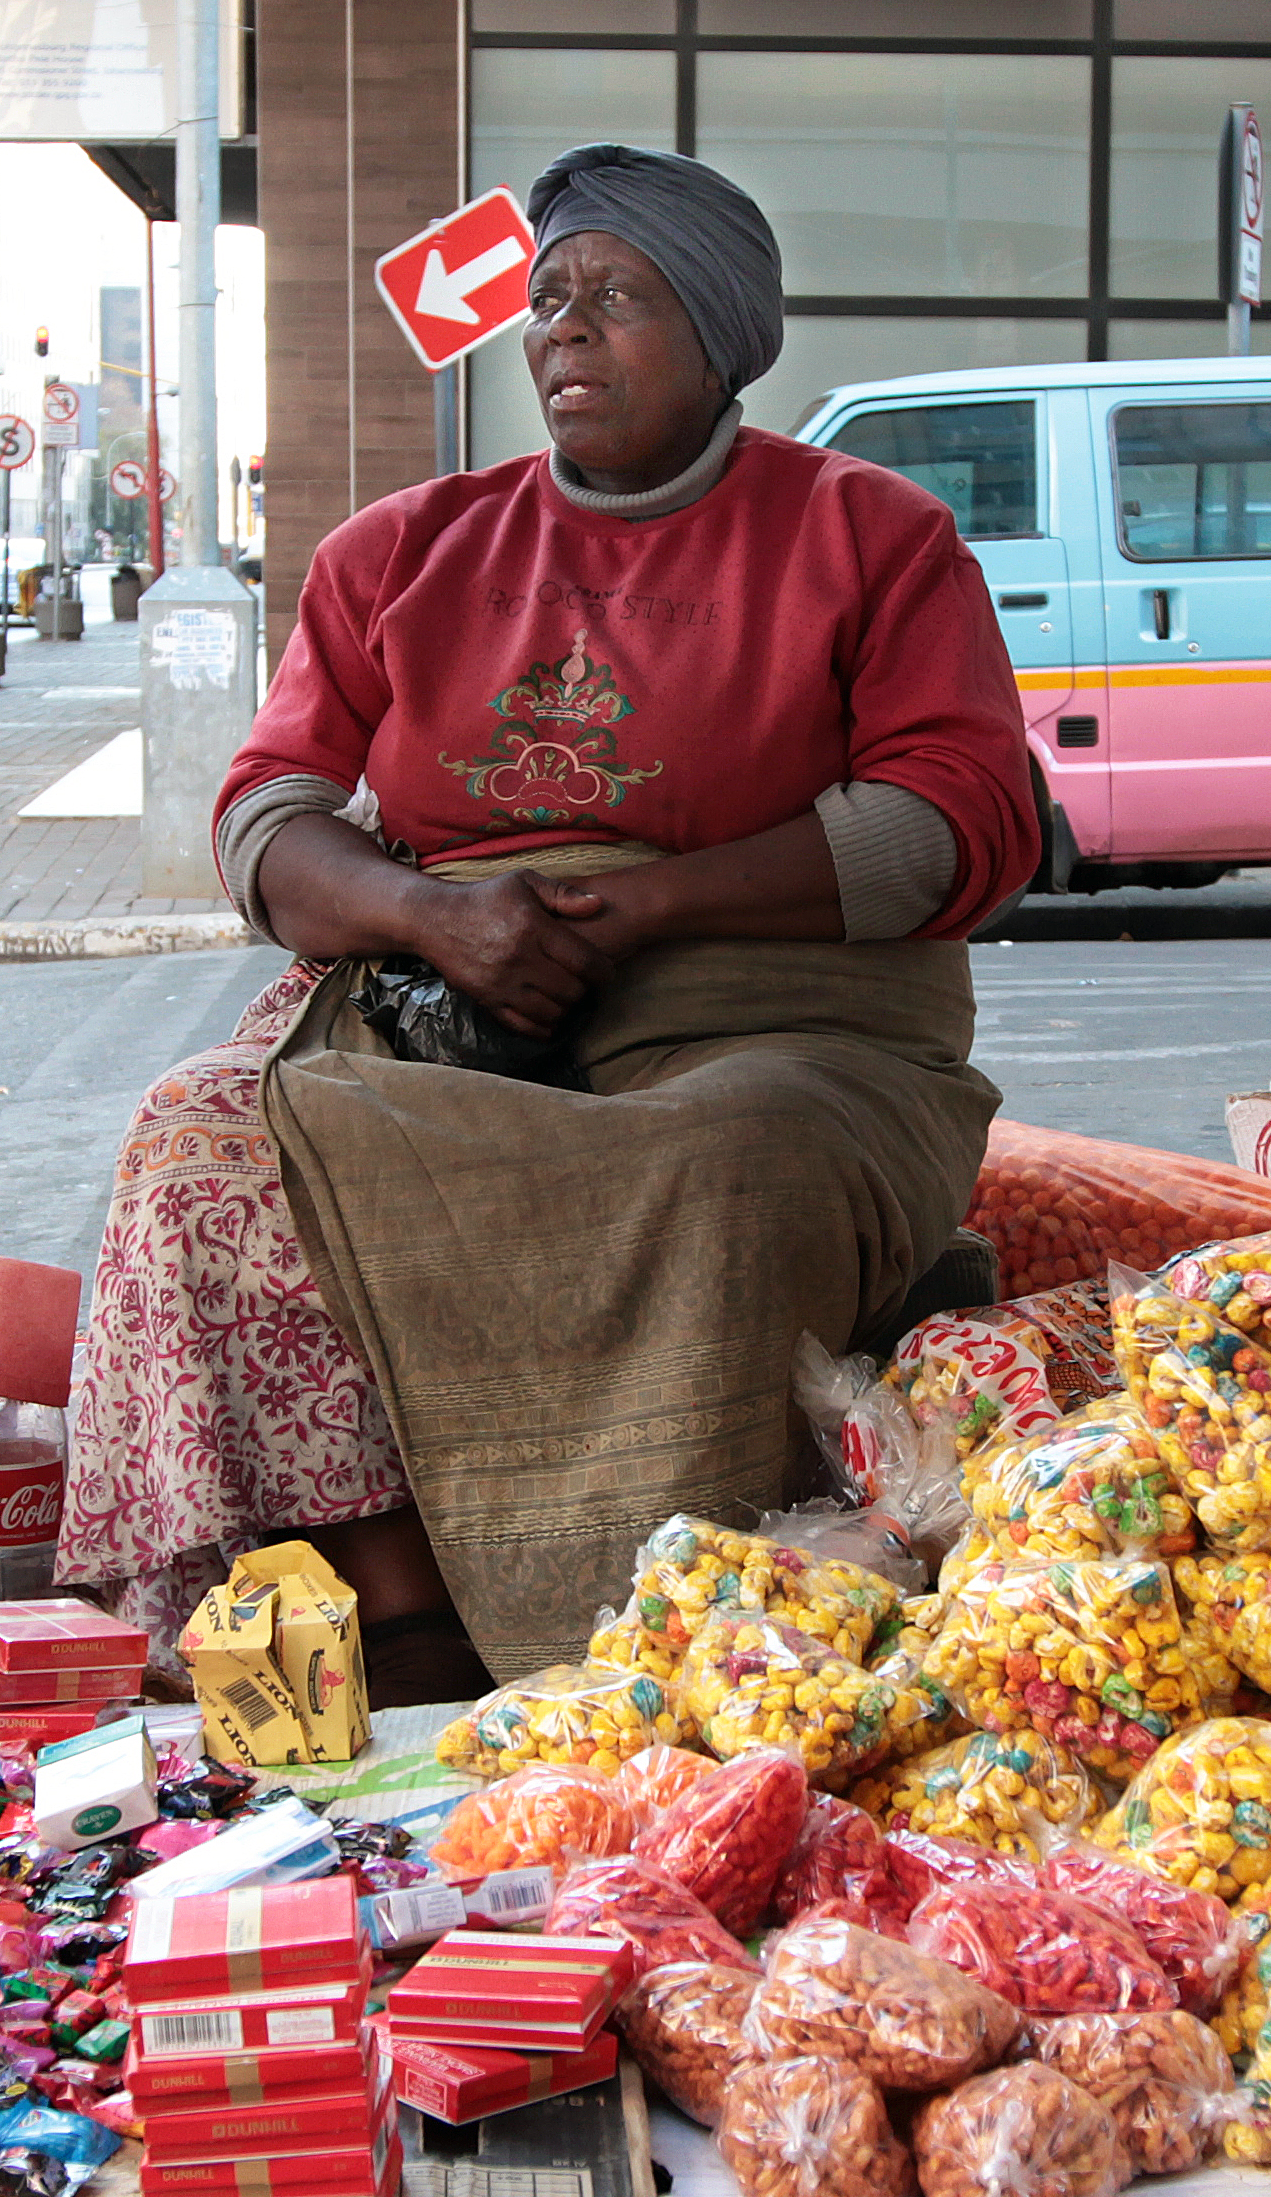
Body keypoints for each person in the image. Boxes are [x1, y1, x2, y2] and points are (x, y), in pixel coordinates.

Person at [58, 144, 1040, 1699]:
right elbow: (263, 819)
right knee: (201, 1138)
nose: (563, 331)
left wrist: (641, 905)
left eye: (619, 298)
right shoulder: (403, 548)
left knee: (727, 1160)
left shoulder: (872, 538)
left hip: (782, 1018)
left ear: (720, 338)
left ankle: (647, 1610)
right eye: (548, 299)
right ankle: (392, 1588)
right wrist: (434, 918)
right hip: (449, 998)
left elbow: (958, 821)